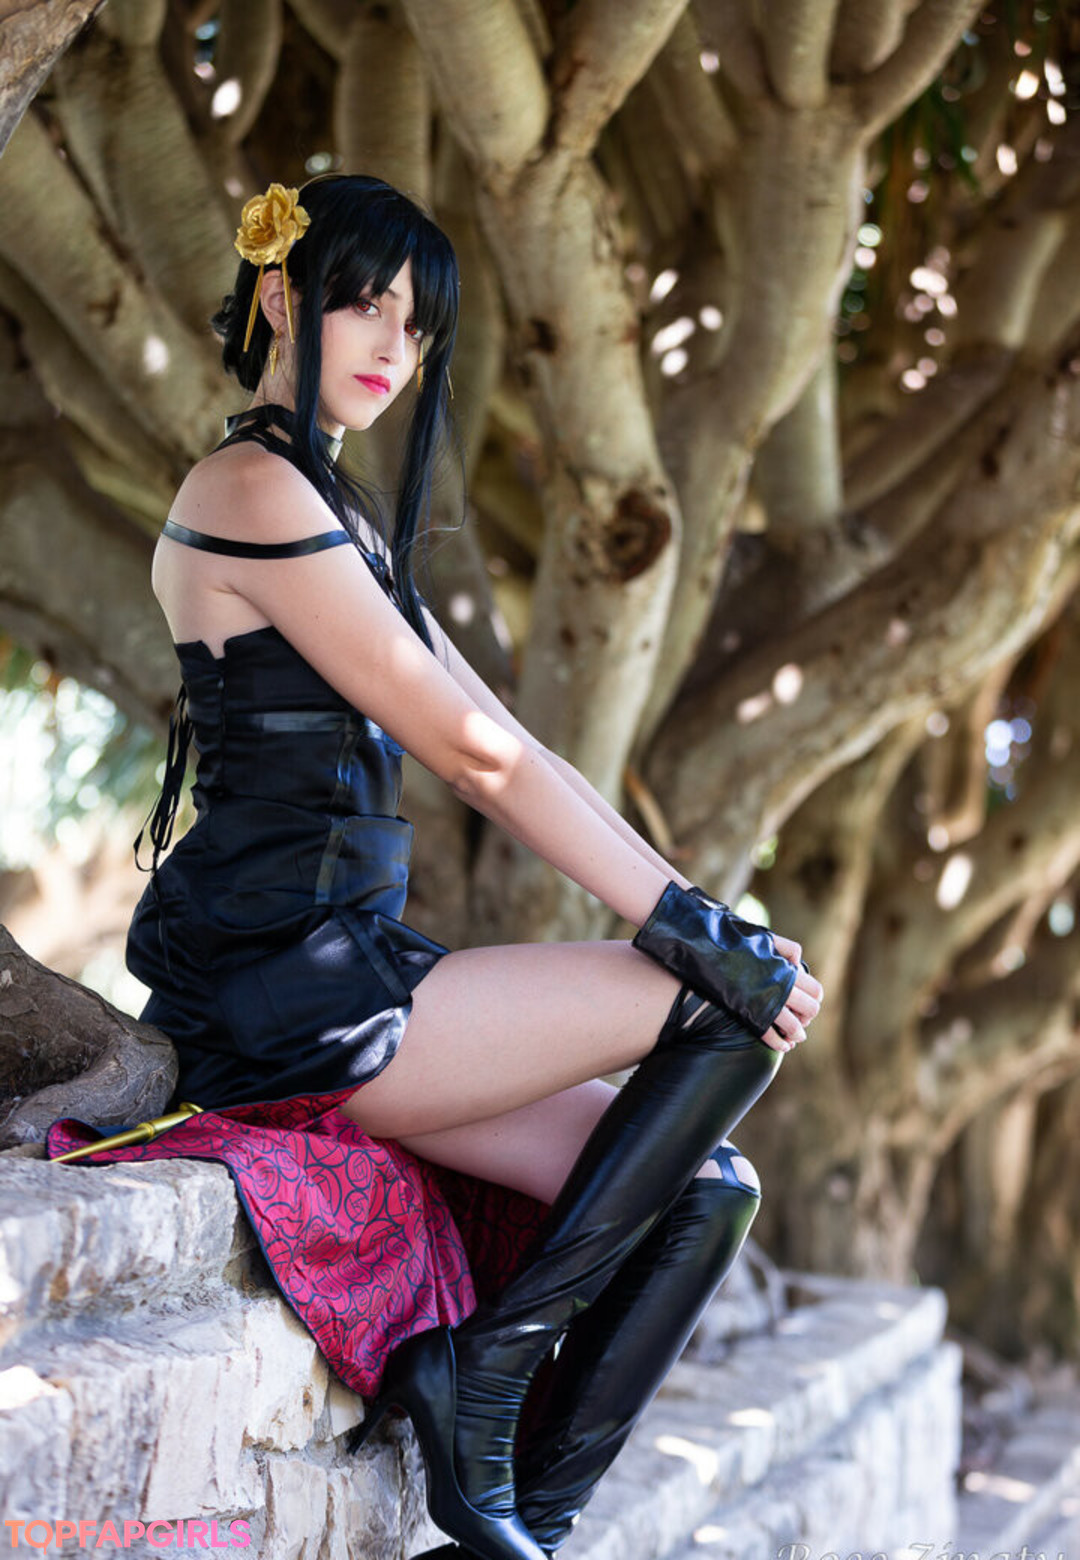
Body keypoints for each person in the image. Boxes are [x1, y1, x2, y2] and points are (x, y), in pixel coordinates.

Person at [122, 175, 823, 1560]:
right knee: (719, 1009)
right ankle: (484, 1374)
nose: (394, 345)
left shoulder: (338, 516)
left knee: (709, 1190)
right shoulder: (248, 489)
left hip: (357, 975)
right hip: (288, 991)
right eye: (365, 304)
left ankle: (531, 1516)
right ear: (283, 298)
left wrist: (703, 914)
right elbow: (469, 758)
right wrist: (696, 939)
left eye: (417, 325)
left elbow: (518, 743)